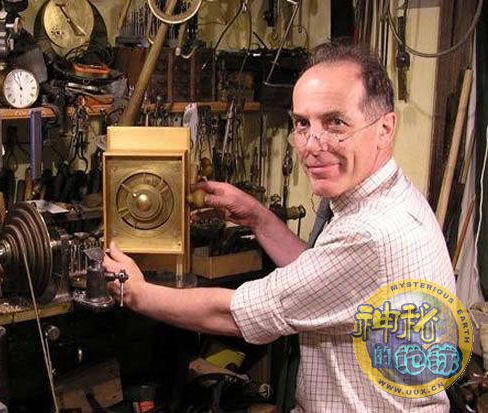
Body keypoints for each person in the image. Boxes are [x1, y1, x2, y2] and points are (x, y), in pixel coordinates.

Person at [105, 41, 455, 412]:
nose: (312, 145)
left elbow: (237, 314)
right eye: (302, 124)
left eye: (335, 123)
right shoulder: (390, 196)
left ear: (385, 128)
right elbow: (321, 279)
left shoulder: (372, 232)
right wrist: (256, 216)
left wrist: (137, 293)